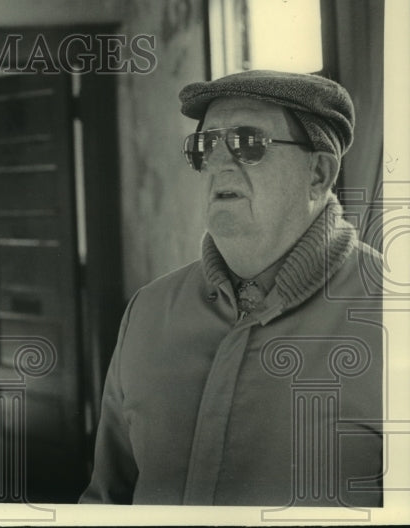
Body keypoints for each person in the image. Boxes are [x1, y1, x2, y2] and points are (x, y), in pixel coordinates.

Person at [80, 70, 383, 506]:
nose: (218, 163)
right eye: (204, 146)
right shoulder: (148, 311)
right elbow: (106, 501)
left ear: (318, 173)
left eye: (247, 143)